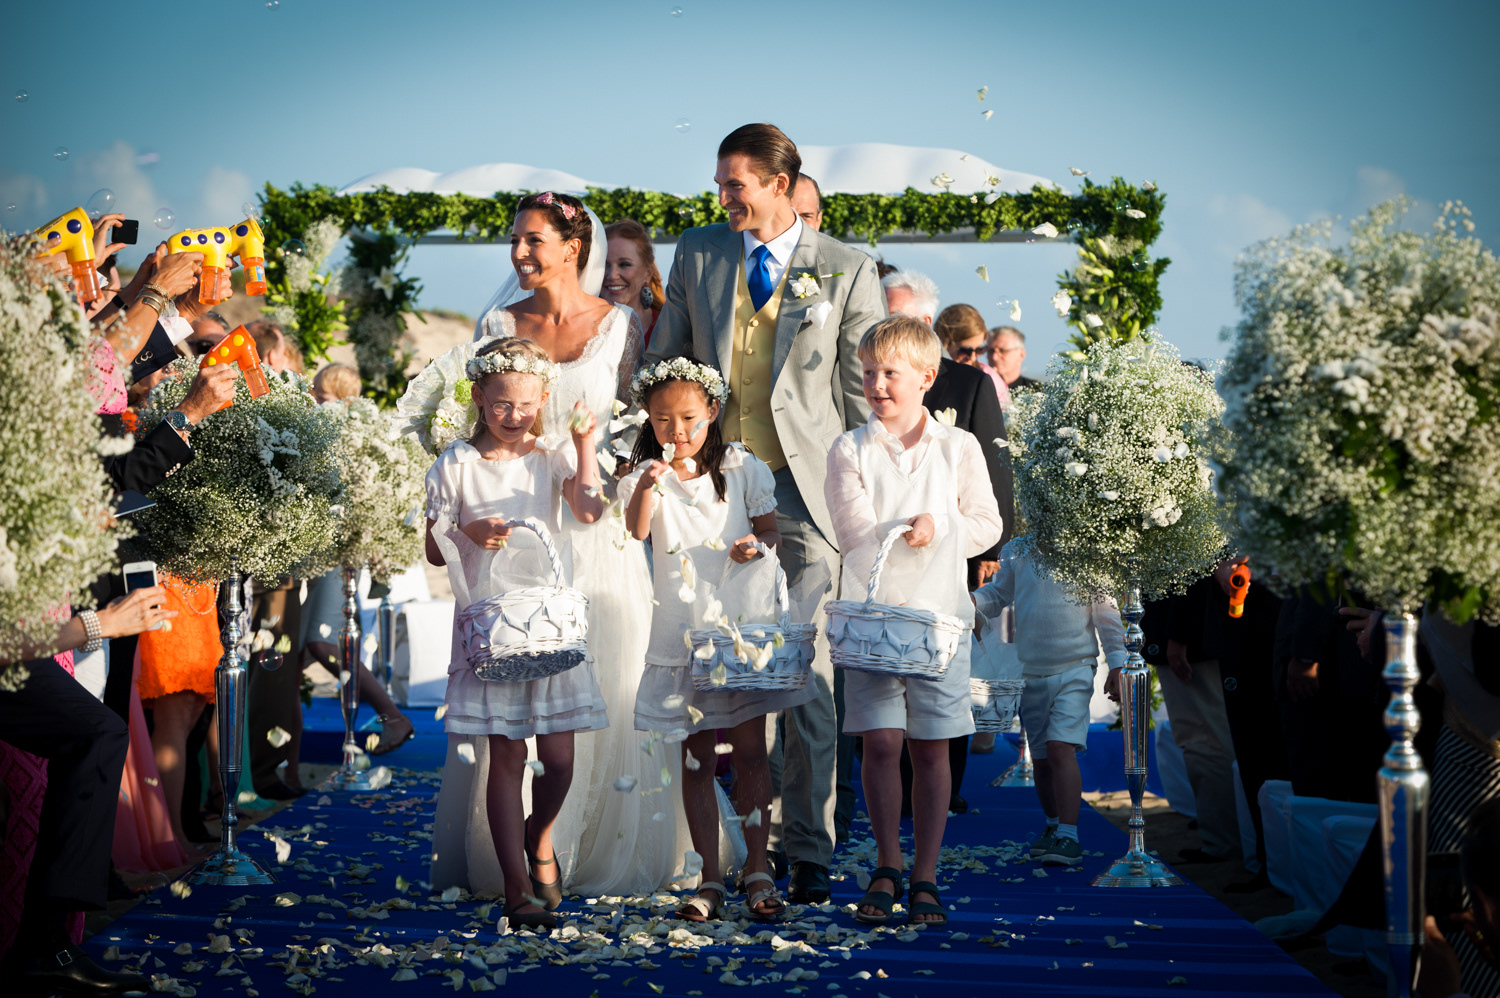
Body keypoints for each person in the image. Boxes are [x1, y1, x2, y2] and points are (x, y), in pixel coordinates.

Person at [645, 123, 886, 905]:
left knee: (807, 674)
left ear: (781, 185)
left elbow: (858, 399)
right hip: (714, 498)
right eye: (719, 184)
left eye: (735, 184)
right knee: (730, 673)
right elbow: (663, 362)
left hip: (808, 494)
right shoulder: (699, 253)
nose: (723, 197)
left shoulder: (846, 268)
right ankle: (754, 850)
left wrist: (868, 503)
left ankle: (806, 848)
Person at [455, 192, 676, 899]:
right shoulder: (497, 324)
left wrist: (609, 474)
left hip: (594, 529)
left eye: (533, 240)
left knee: (604, 686)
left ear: (572, 248)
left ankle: (585, 839)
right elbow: (473, 428)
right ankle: (518, 862)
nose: (519, 253)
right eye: (515, 240)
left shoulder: (621, 326)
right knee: (513, 710)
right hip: (518, 536)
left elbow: (636, 428)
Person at [424, 336, 607, 930]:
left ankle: (540, 834)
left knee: (559, 759)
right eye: (502, 403)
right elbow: (433, 547)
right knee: (505, 754)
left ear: (544, 400)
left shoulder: (551, 454)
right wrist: (467, 532)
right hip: (491, 628)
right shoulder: (455, 463)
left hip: (549, 625)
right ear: (478, 395)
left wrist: (585, 445)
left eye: (526, 405)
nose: (514, 415)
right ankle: (515, 886)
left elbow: (588, 511)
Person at [826, 316, 1002, 924]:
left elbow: (987, 523)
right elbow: (852, 532)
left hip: (940, 621)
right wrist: (906, 527)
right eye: (868, 372)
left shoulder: (959, 446)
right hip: (874, 621)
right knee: (879, 743)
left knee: (931, 747)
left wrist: (940, 524)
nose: (876, 384)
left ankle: (926, 872)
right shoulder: (849, 448)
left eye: (890, 373)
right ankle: (887, 862)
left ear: (927, 377)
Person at [622, 358, 810, 922]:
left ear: (712, 411)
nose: (676, 430)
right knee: (697, 756)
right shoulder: (647, 475)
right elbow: (636, 530)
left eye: (688, 417)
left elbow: (771, 531)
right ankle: (708, 875)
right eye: (662, 419)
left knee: (750, 750)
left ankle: (757, 868)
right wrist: (648, 485)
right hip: (682, 629)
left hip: (738, 629)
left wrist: (757, 545)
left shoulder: (740, 466)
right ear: (648, 419)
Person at [882, 269, 1012, 812]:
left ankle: (944, 788)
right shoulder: (871, 381)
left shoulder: (969, 384)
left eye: (898, 316)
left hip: (950, 548)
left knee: (945, 666)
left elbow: (995, 474)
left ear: (926, 321)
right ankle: (893, 787)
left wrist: (988, 555)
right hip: (885, 552)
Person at [0, 590, 175, 994]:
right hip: (21, 644)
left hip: (29, 641)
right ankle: (44, 945)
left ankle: (46, 944)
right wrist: (98, 624)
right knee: (99, 732)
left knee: (100, 732)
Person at [972, 539, 1127, 867]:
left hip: (1075, 667)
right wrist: (970, 600)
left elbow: (1106, 612)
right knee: (1041, 757)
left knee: (1060, 747)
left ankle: (1069, 834)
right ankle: (1054, 824)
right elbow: (999, 594)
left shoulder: (1089, 548)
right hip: (1030, 671)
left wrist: (1117, 661)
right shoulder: (1019, 549)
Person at [1142, 575, 1241, 864]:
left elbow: (1192, 572)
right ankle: (1218, 830)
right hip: (1188, 638)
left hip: (1190, 645)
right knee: (1203, 740)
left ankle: (1222, 839)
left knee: (1204, 741)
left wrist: (1179, 637)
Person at [933, 303, 1011, 409]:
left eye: (979, 350)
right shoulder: (927, 375)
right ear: (945, 343)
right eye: (966, 350)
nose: (973, 357)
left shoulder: (988, 376)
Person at [602, 219, 665, 347]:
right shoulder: (576, 326)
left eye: (624, 264)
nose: (612, 275)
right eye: (604, 264)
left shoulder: (668, 329)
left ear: (648, 273)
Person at [987, 325, 1037, 391]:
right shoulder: (980, 388)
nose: (994, 357)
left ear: (1021, 355)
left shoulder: (1037, 391)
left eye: (1002, 351)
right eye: (990, 351)